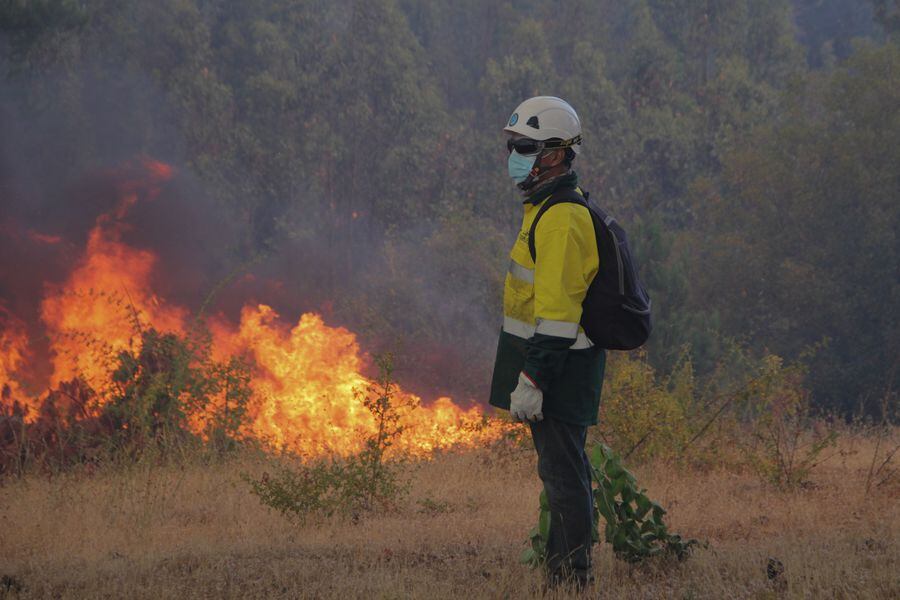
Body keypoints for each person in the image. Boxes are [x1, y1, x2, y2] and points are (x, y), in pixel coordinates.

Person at [489, 96, 606, 588]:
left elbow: (557, 317)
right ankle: (565, 572)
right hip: (550, 366)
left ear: (555, 154)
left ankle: (571, 578)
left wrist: (533, 379)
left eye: (525, 146)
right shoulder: (544, 208)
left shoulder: (561, 218)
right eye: (512, 145)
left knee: (563, 477)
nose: (514, 154)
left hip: (559, 370)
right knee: (560, 472)